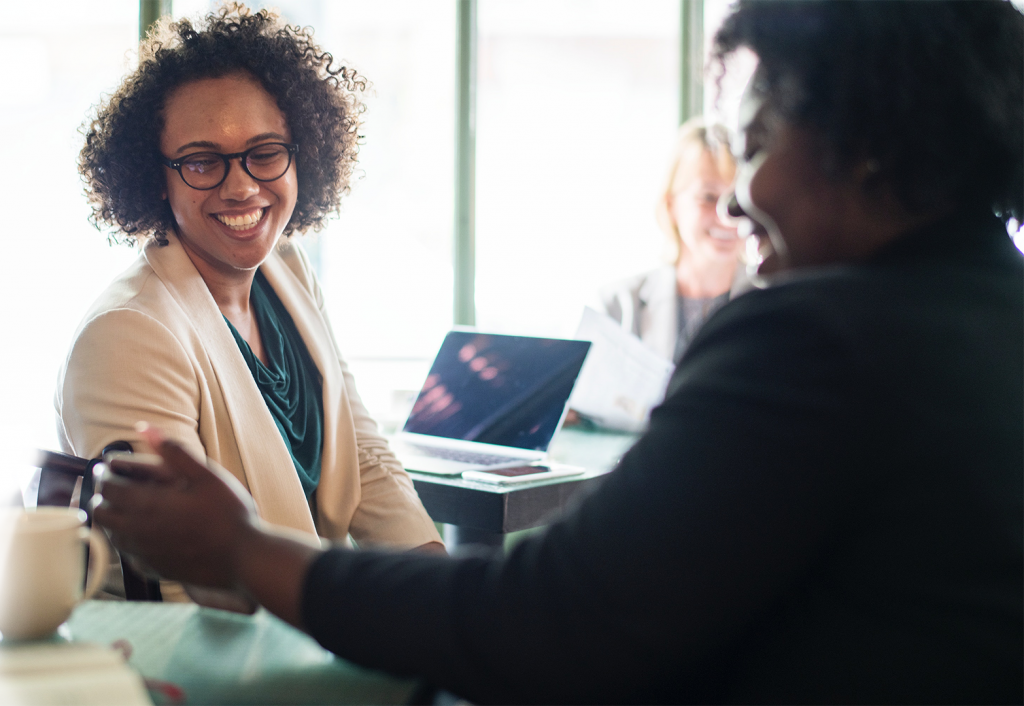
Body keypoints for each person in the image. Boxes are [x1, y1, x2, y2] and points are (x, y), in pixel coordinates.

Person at [93, 1, 1023, 702]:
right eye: (201, 161)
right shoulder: (988, 311)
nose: (736, 199)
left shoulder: (818, 341)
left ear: (865, 147)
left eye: (758, 143)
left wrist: (248, 549)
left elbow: (553, 620)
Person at [57, 4, 443, 606]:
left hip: (310, 611)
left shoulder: (286, 268)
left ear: (302, 152)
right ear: (158, 179)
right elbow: (178, 573)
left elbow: (362, 454)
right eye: (202, 162)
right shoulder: (128, 333)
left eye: (264, 152)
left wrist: (440, 589)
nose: (241, 187)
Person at [600, 118, 743, 364]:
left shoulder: (777, 304)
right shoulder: (617, 307)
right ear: (670, 205)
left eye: (737, 198)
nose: (727, 216)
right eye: (708, 197)